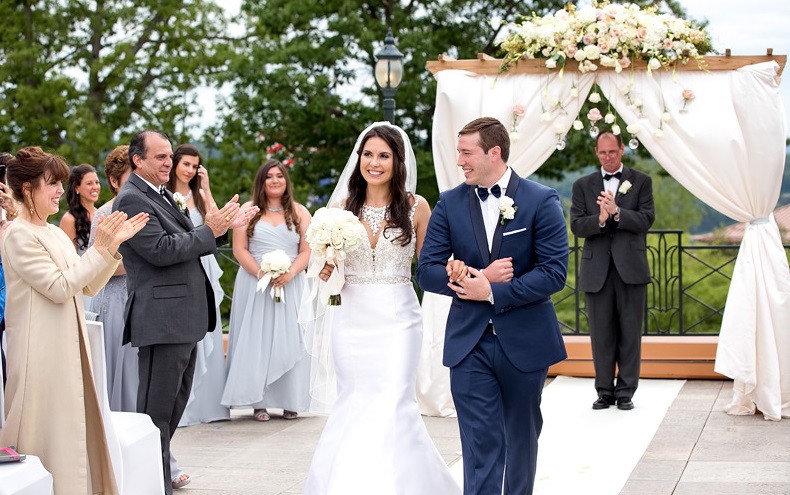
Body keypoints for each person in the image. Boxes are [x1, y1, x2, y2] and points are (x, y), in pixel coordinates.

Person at [303, 123, 460, 494]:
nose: (374, 163)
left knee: (394, 400)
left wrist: (457, 268)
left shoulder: (416, 206)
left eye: (384, 156)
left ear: (397, 161)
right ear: (359, 159)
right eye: (368, 155)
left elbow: (430, 264)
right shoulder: (340, 209)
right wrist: (327, 267)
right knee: (354, 398)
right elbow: (327, 269)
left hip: (399, 319)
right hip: (351, 317)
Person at [416, 117, 569, 495]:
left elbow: (554, 273)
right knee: (480, 446)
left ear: (494, 153)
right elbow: (427, 272)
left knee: (521, 442)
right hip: (470, 344)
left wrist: (494, 292)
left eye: (467, 153)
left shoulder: (540, 199)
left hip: (525, 341)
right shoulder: (449, 203)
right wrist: (478, 278)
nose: (460, 161)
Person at [114, 129, 256, 495]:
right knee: (155, 415)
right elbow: (161, 250)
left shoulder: (160, 194)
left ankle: (156, 481)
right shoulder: (131, 199)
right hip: (162, 320)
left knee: (172, 410)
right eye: (160, 157)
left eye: (169, 156)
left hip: (182, 319)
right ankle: (148, 485)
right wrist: (211, 229)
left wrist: (221, 230)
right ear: (137, 160)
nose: (168, 162)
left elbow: (186, 239)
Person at [0, 146, 148, 495]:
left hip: (70, 345)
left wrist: (111, 249)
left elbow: (88, 284)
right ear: (27, 189)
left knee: (75, 433)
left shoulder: (51, 231)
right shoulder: (19, 233)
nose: (58, 192)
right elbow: (58, 286)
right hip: (41, 352)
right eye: (51, 184)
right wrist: (100, 246)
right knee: (49, 435)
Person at [570, 130, 655, 411]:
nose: (607, 157)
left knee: (630, 333)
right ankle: (604, 391)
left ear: (621, 151)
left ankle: (626, 391)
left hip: (631, 269)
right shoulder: (583, 185)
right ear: (597, 152)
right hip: (597, 271)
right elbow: (577, 226)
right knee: (601, 334)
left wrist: (618, 212)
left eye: (613, 152)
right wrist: (602, 219)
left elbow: (646, 220)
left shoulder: (641, 181)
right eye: (603, 152)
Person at [222, 159, 312, 421]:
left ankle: (290, 400)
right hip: (255, 284)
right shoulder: (248, 211)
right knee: (256, 341)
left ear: (286, 181)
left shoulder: (299, 212)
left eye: (280, 176)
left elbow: (306, 250)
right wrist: (262, 273)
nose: (275, 181)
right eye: (269, 177)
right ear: (261, 182)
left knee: (291, 338)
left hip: (291, 283)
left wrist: (291, 273)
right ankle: (257, 401)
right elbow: (239, 249)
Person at [167, 144, 230, 427]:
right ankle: (182, 405)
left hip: (203, 262)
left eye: (195, 166)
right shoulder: (164, 194)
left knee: (209, 329)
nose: (190, 170)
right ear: (175, 164)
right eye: (186, 164)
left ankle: (206, 403)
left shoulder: (199, 195)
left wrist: (205, 186)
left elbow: (217, 224)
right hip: (180, 262)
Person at [88, 146, 137, 412]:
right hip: (116, 298)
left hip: (141, 294)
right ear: (114, 182)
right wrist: (145, 261)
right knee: (122, 369)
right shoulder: (105, 214)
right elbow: (102, 264)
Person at [60, 163, 101, 253]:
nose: (95, 187)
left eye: (97, 182)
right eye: (89, 183)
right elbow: (68, 258)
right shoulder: (69, 219)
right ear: (77, 188)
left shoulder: (101, 214)